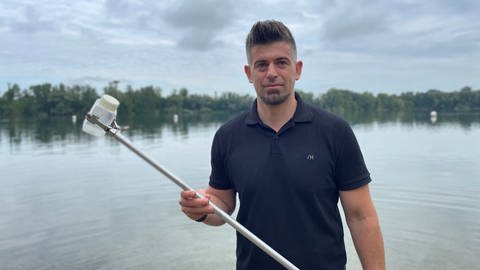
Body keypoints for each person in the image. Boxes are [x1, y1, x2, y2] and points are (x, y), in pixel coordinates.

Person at [179, 20, 385, 270]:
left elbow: (361, 216)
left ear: (297, 69)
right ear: (249, 73)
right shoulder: (228, 136)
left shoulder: (335, 132)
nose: (271, 73)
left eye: (281, 62)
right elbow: (223, 205)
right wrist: (201, 209)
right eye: (262, 65)